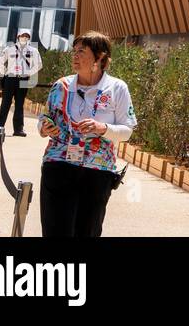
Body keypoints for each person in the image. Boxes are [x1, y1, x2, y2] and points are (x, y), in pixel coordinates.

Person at [37, 31, 136, 237]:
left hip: (97, 170)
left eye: (81, 51)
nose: (75, 56)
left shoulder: (116, 88)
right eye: (74, 51)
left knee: (87, 231)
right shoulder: (61, 86)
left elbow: (127, 131)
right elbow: (45, 117)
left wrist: (103, 129)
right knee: (55, 231)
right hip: (59, 164)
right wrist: (44, 127)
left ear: (100, 57)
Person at [0, 29, 41, 136]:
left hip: (24, 79)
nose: (24, 38)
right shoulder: (9, 49)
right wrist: (5, 72)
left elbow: (38, 64)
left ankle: (18, 129)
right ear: (18, 36)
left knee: (20, 105)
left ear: (29, 38)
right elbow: (0, 61)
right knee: (5, 103)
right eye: (22, 35)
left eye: (27, 36)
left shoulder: (33, 51)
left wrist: (29, 72)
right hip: (10, 79)